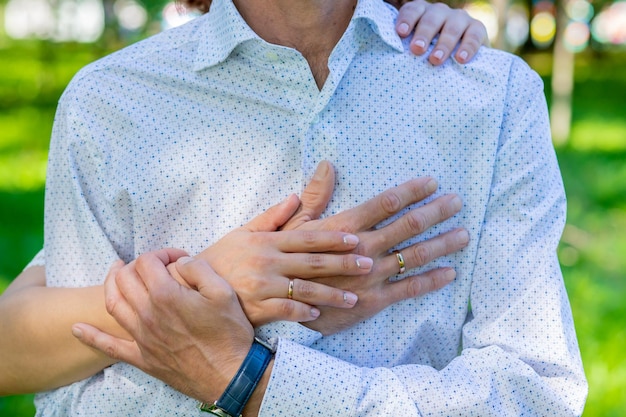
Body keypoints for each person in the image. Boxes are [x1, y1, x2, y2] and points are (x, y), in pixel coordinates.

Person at [10, 0, 591, 416]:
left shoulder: (491, 95)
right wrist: (221, 288)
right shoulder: (110, 101)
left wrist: (249, 379)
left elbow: (533, 397)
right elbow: (65, 391)